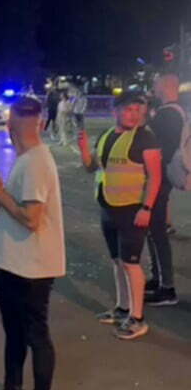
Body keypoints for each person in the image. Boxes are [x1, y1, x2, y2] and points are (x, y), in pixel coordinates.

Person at [0, 97, 65, 390]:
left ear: (8, 125)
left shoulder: (36, 162)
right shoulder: (28, 158)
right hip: (14, 263)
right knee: (16, 333)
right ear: (40, 123)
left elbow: (31, 218)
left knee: (35, 336)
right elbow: (19, 207)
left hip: (30, 269)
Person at [77, 91, 161, 340]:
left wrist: (147, 208)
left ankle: (137, 318)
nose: (134, 115)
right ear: (116, 111)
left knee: (131, 263)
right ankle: (122, 308)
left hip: (132, 210)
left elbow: (155, 176)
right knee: (117, 261)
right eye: (128, 109)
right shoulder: (106, 135)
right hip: (108, 207)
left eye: (137, 110)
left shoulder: (144, 137)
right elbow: (91, 167)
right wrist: (83, 148)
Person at [145, 74, 183, 305]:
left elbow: (160, 148)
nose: (153, 87)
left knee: (157, 232)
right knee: (154, 230)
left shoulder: (167, 114)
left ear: (166, 86)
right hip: (162, 177)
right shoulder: (176, 111)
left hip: (159, 178)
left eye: (156, 83)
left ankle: (166, 288)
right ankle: (158, 278)